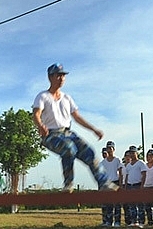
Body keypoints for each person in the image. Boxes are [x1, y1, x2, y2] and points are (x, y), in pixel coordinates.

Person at [32, 64, 117, 194]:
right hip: (50, 134)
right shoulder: (43, 96)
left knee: (89, 151)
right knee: (68, 148)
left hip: (68, 132)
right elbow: (36, 114)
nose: (61, 78)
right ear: (50, 77)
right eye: (58, 75)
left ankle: (104, 183)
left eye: (63, 76)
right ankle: (68, 184)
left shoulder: (67, 98)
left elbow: (77, 117)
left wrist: (93, 129)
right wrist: (40, 125)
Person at [101, 141, 124, 227]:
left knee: (117, 203)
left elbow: (120, 173)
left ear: (114, 149)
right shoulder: (103, 162)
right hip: (107, 183)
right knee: (108, 203)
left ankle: (117, 221)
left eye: (111, 148)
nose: (109, 150)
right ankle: (109, 221)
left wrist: (120, 184)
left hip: (115, 182)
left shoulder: (117, 160)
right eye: (108, 148)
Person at [124, 145, 147, 227]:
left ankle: (141, 222)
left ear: (136, 153)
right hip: (130, 186)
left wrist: (142, 185)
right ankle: (134, 221)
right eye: (130, 153)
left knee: (140, 205)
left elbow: (144, 174)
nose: (132, 154)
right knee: (132, 205)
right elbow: (127, 176)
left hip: (138, 185)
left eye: (133, 152)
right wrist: (126, 186)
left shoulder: (141, 163)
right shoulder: (128, 165)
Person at [143, 149, 153, 226]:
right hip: (146, 187)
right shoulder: (144, 166)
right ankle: (150, 221)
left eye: (151, 156)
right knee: (147, 206)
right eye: (148, 156)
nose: (149, 158)